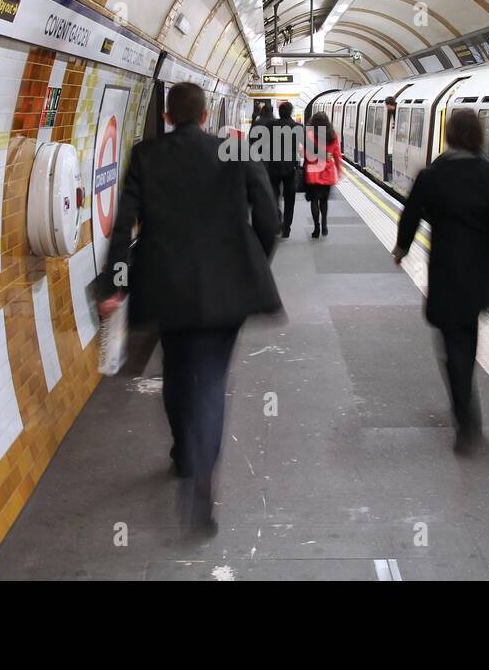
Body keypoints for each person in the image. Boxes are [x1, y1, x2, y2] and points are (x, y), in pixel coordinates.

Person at [96, 82, 281, 535]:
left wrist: (114, 285)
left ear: (167, 116)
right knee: (213, 380)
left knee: (176, 372)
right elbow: (269, 219)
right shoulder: (234, 152)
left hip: (168, 289)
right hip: (227, 291)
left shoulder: (146, 156)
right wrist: (251, 258)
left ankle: (183, 453)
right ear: (204, 117)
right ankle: (201, 477)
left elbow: (122, 226)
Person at [392, 109, 489, 455]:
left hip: (445, 274)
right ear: (478, 136)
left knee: (451, 348)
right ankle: (468, 416)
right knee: (467, 342)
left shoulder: (434, 175)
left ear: (449, 135)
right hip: (479, 275)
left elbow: (410, 215)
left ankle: (465, 420)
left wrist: (401, 250)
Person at [303, 111, 342, 238]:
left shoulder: (309, 135)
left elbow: (305, 154)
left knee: (314, 201)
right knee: (324, 201)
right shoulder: (333, 135)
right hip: (327, 173)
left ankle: (316, 228)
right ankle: (324, 224)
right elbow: (337, 155)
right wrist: (339, 170)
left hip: (313, 173)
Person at [267, 101, 301, 237]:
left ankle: (276, 221)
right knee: (289, 198)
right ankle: (287, 227)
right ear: (291, 112)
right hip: (290, 168)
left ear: (279, 112)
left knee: (274, 197)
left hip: (273, 166)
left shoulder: (270, 126)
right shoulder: (297, 127)